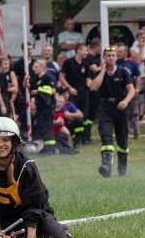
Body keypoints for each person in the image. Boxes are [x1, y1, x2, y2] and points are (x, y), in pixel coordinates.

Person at [0, 117, 71, 238]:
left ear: (14, 142)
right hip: (4, 221)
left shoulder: (27, 166)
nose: (0, 144)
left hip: (35, 219)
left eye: (5, 140)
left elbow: (33, 205)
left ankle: (60, 228)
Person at [91, 45, 136, 176]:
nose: (111, 58)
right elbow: (94, 87)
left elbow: (131, 89)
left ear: (116, 57)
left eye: (113, 55)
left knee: (122, 138)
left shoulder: (123, 72)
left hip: (120, 106)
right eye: (108, 56)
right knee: (106, 135)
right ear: (103, 57)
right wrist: (102, 70)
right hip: (105, 106)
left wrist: (125, 101)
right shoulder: (99, 73)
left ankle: (122, 167)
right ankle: (106, 166)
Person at [58, 43, 91, 145]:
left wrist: (91, 86)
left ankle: (80, 138)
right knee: (70, 114)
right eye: (85, 50)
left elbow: (88, 79)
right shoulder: (68, 62)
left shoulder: (86, 64)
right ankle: (67, 135)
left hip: (83, 92)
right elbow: (61, 77)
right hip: (72, 92)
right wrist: (69, 88)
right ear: (78, 50)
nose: (86, 53)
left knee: (83, 115)